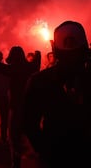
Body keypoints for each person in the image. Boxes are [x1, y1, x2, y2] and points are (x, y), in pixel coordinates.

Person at [24, 20, 91, 167]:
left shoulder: (39, 81)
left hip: (53, 157)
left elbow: (29, 123)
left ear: (54, 49)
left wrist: (44, 150)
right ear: (85, 48)